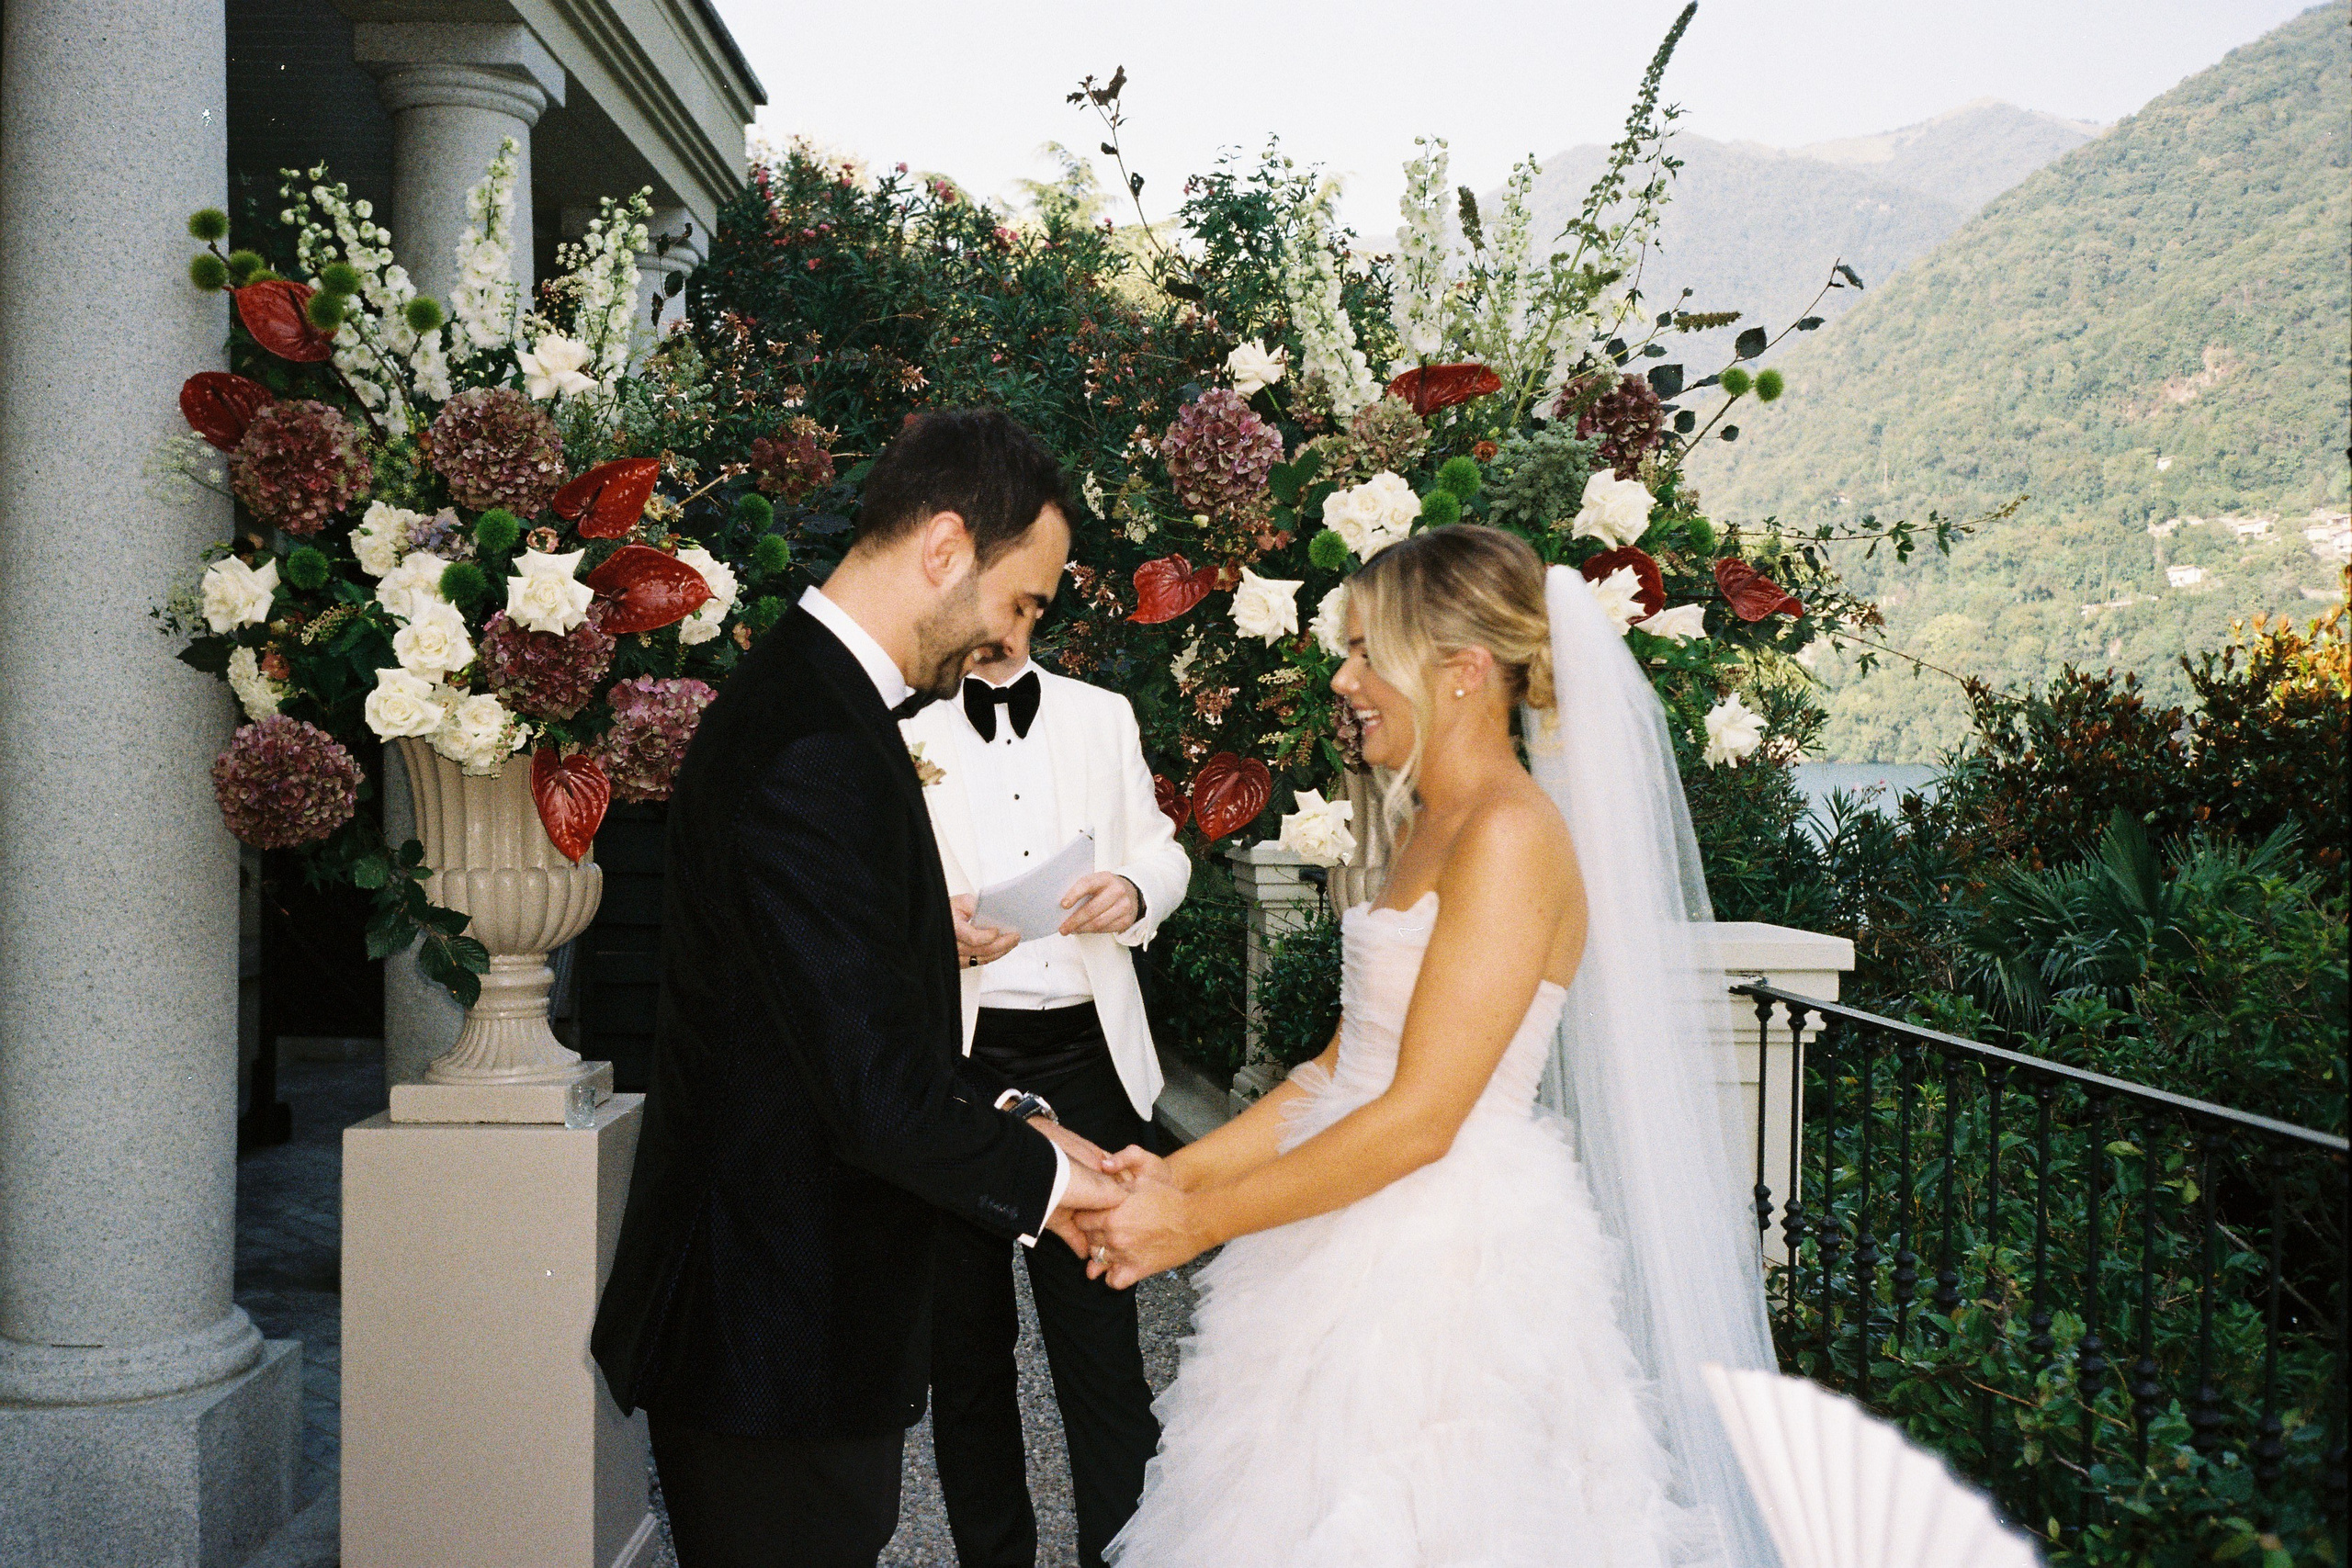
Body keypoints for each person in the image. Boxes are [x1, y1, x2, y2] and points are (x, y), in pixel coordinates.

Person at [1080, 525, 1782, 1566]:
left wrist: (1196, 1226)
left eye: (1368, 651)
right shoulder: (1428, 822)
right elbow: (1335, 1068)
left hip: (1442, 1263)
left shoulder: (1509, 833)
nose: (1343, 674)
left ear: (1460, 672)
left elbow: (1421, 1117)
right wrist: (1176, 1177)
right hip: (1349, 1208)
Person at [591, 410, 1127, 1568]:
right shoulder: (817, 739)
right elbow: (870, 1097)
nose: (1012, 636)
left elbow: (813, 1011)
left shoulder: (814, 700)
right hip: (776, 1334)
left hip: (787, 1324)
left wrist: (1029, 1119)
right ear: (945, 549)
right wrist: (1060, 1186)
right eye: (1021, 601)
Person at [899, 607, 1192, 1568]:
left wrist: (1137, 889)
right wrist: (921, 925)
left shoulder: (1102, 713)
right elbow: (862, 890)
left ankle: (1123, 1553)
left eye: (1020, 605)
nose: (1002, 625)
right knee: (967, 1350)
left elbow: (1162, 845)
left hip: (1088, 1059)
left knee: (1101, 1342)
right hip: (959, 1066)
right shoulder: (896, 727)